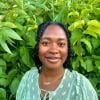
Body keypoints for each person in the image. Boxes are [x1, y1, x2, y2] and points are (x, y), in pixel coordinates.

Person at [16, 22, 98, 100]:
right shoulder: (28, 79)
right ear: (38, 47)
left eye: (61, 44)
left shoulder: (80, 86)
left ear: (67, 49)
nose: (53, 50)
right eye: (45, 43)